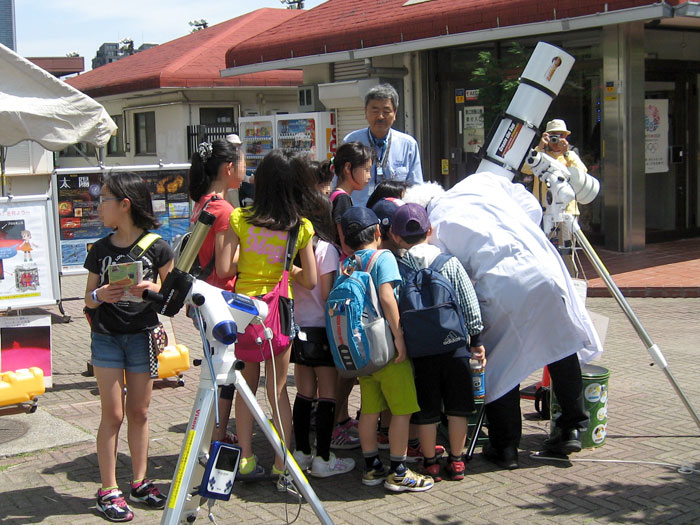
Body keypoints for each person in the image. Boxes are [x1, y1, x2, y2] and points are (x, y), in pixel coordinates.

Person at [404, 174, 602, 470]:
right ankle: (572, 426)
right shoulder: (480, 181)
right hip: (542, 268)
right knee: (561, 346)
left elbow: (443, 274)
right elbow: (532, 207)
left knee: (499, 363)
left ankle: (505, 446)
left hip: (500, 285)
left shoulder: (436, 226)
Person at [83, 172, 174, 522]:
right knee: (114, 414)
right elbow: (88, 302)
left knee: (139, 412)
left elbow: (172, 300)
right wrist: (100, 294)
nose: (98, 206)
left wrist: (152, 289)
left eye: (104, 199)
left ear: (125, 204)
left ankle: (139, 481)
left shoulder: (159, 246)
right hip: (105, 337)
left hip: (143, 336)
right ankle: (108, 489)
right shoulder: (101, 249)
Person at [227, 149, 318, 492]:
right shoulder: (300, 226)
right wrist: (284, 268)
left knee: (246, 387)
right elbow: (309, 280)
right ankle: (283, 461)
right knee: (277, 388)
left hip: (245, 310)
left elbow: (229, 266)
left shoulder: (240, 219)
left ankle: (247, 457)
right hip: (279, 311)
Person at [339, 206, 434, 492]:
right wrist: (399, 337)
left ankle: (371, 468)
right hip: (388, 350)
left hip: (362, 352)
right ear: (378, 232)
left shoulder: (348, 263)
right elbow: (387, 298)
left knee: (369, 411)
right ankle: (399, 470)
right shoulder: (384, 258)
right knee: (402, 411)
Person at [290, 163, 355, 478]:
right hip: (322, 330)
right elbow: (327, 295)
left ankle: (301, 452)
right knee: (327, 394)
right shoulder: (327, 250)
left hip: (298, 328)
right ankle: (324, 457)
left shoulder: (291, 249)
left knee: (303, 393)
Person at [187, 139, 244, 444]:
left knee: (214, 370)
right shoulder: (224, 210)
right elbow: (225, 268)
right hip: (222, 304)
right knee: (224, 374)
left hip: (204, 301)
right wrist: (249, 255)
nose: (246, 168)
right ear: (228, 168)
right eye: (243, 162)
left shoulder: (203, 203)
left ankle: (213, 432)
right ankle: (217, 436)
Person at [524, 119, 590, 277]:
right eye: (552, 135)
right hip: (543, 210)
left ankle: (571, 283)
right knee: (541, 251)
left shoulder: (571, 155)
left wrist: (567, 154)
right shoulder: (539, 155)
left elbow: (582, 173)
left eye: (560, 135)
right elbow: (525, 168)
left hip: (567, 211)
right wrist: (539, 148)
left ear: (566, 137)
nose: (556, 140)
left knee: (566, 251)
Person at [342, 83, 423, 207]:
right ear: (365, 112)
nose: (380, 117)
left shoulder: (408, 145)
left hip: (395, 218)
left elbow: (416, 189)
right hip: (359, 217)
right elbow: (340, 185)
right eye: (375, 110)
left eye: (386, 111)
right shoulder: (351, 141)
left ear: (395, 114)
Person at [329, 141, 375, 256]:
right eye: (366, 170)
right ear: (348, 168)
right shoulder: (342, 199)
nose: (369, 176)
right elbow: (347, 246)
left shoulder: (336, 195)